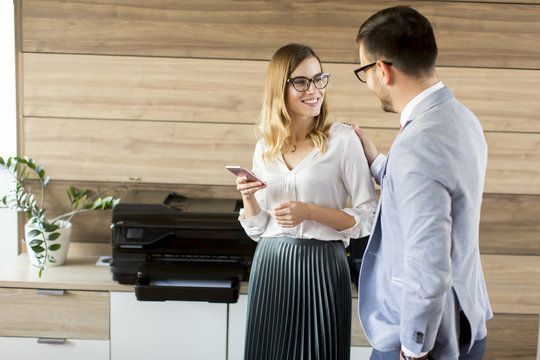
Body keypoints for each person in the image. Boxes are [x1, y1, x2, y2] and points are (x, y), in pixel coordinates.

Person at [352, 6, 493, 360]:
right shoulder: (461, 118)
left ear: (382, 70)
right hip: (466, 323)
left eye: (364, 71)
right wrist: (377, 162)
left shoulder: (418, 144)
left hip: (426, 340)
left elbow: (427, 265)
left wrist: (414, 348)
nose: (368, 81)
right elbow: (436, 190)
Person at [235, 43, 377, 360]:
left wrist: (310, 212)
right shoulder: (265, 146)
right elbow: (258, 229)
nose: (313, 90)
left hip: (323, 266)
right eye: (301, 81)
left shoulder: (342, 140)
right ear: (279, 88)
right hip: (271, 265)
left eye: (319, 79)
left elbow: (368, 218)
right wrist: (249, 199)